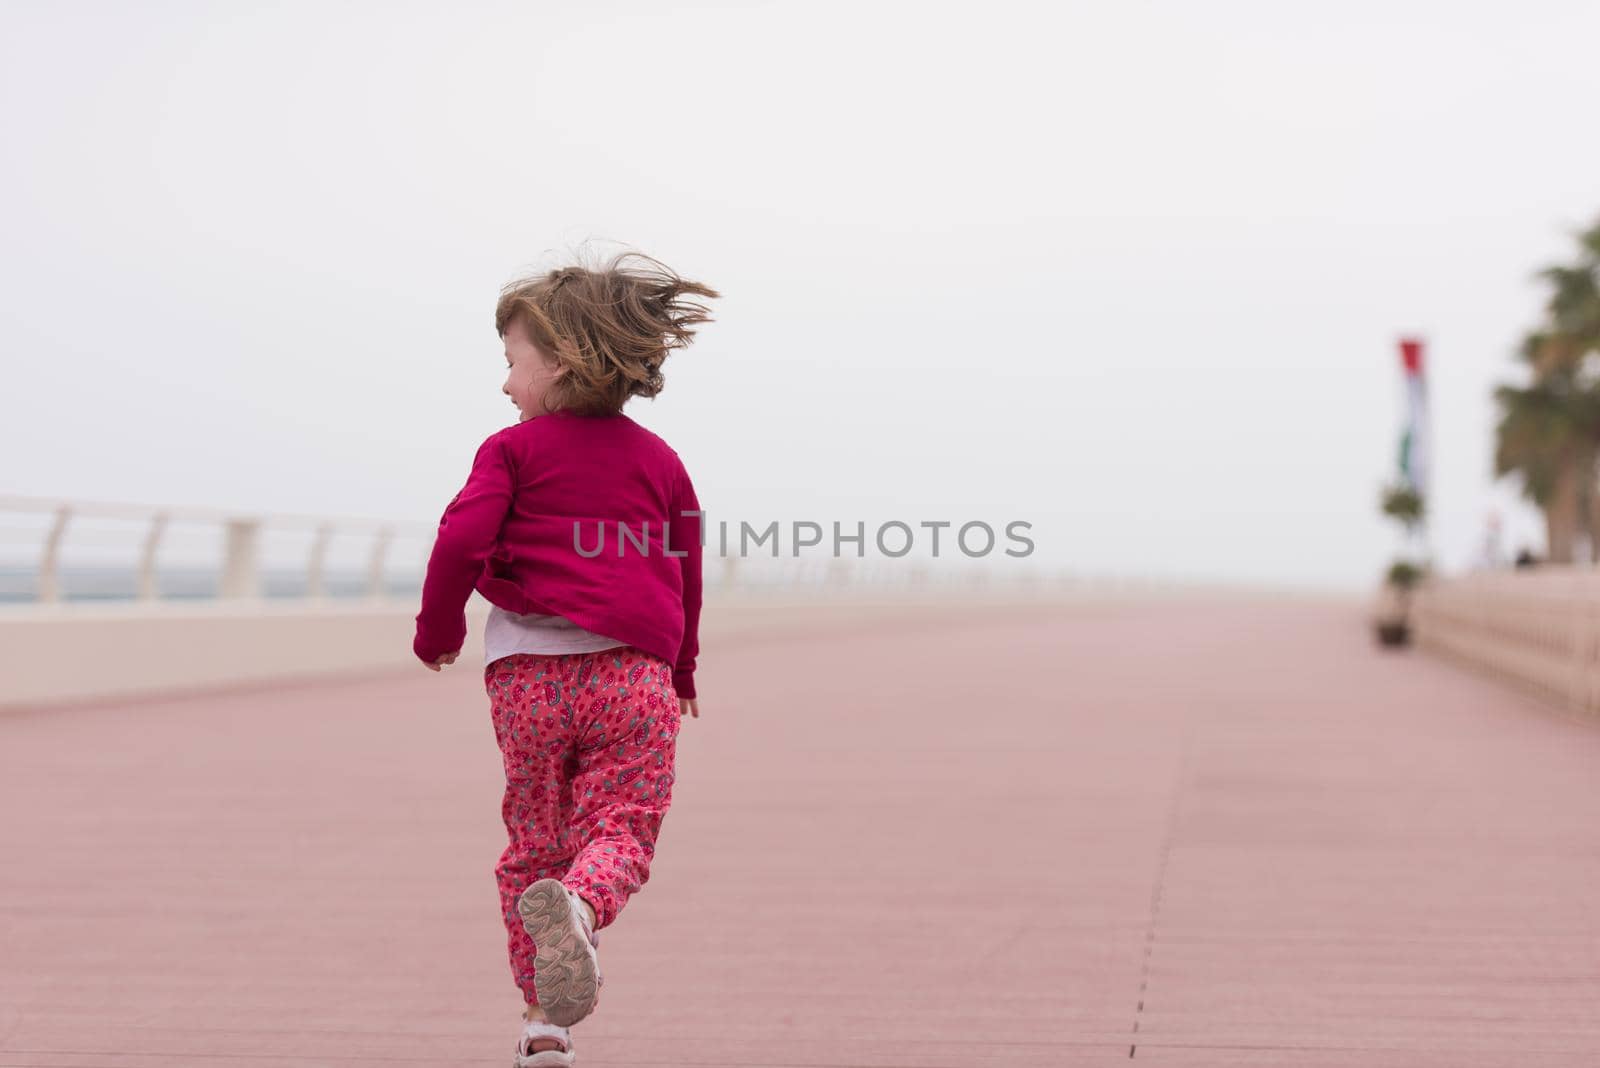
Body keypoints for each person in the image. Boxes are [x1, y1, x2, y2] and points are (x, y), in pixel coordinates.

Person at [412, 250, 717, 1067]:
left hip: (527, 683)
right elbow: (685, 570)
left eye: (512, 364)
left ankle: (544, 1023)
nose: (506, 385)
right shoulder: (660, 461)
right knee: (619, 828)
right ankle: (582, 905)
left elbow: (461, 539)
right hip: (632, 676)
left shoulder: (510, 453)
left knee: (534, 842)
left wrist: (437, 631)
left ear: (560, 363)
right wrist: (683, 668)